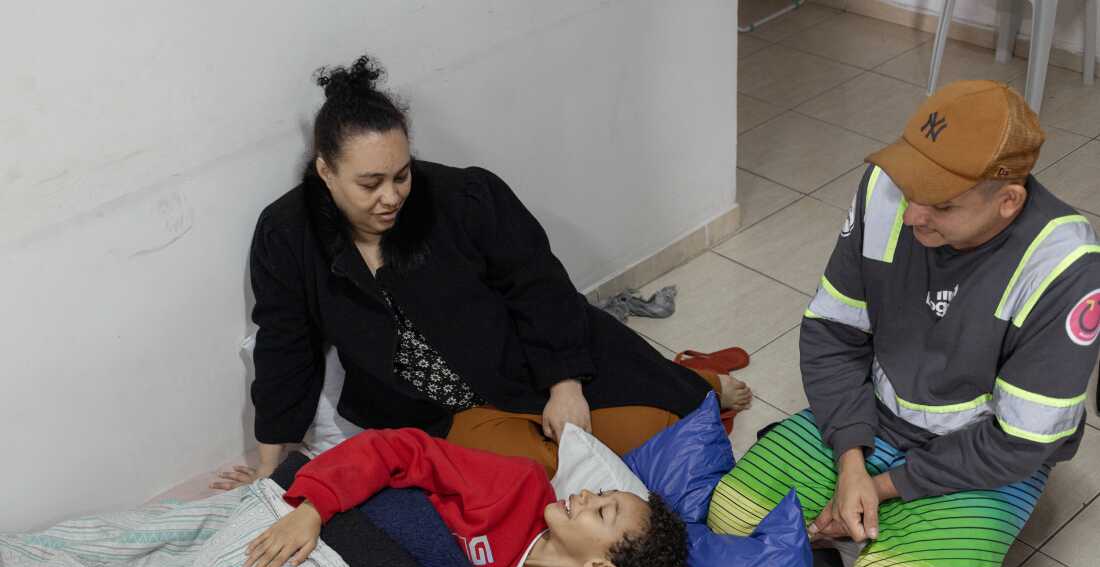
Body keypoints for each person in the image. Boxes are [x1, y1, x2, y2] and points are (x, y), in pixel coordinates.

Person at [212, 54, 750, 490]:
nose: (391, 196)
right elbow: (285, 345)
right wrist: (269, 464)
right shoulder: (287, 236)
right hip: (439, 409)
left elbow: (538, 285)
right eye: (370, 182)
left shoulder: (463, 196)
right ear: (325, 171)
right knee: (546, 483)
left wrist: (564, 387)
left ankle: (697, 382)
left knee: (672, 428)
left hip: (522, 361)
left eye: (402, 175)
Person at [706, 80, 1100, 567]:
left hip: (983, 456)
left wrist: (883, 488)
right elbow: (831, 333)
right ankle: (884, 533)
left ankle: (909, 536)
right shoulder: (886, 190)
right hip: (879, 420)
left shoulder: (1065, 266)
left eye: (942, 204)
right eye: (914, 186)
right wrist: (850, 464)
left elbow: (1019, 441)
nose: (914, 211)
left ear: (1008, 201)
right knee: (730, 516)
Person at [242, 427, 689, 567]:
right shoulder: (520, 487)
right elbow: (402, 450)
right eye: (601, 493)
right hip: (328, 535)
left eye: (602, 511)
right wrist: (313, 507)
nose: (587, 494)